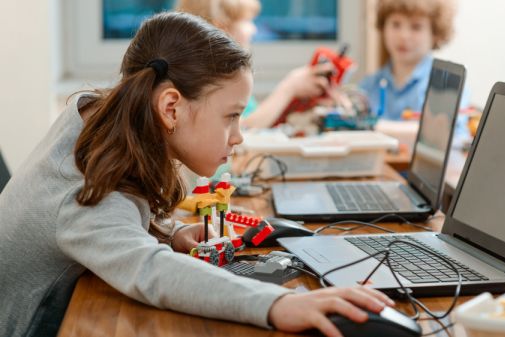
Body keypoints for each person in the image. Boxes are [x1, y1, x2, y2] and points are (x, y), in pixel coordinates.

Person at [0, 12, 394, 337]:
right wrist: (278, 304)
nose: (239, 136)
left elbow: (116, 220)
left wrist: (167, 232)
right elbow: (150, 271)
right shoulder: (86, 185)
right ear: (171, 107)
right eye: (231, 117)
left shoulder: (97, 120)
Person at [176, 0, 333, 129]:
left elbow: (255, 120)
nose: (254, 30)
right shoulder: (206, 81)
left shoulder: (229, 74)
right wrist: (288, 88)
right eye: (247, 21)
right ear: (220, 29)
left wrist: (297, 102)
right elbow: (240, 131)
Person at [360, 0, 465, 120]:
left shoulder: (446, 86)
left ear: (435, 34)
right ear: (383, 27)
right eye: (396, 24)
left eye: (416, 27)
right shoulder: (368, 86)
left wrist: (372, 128)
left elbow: (451, 134)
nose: (403, 36)